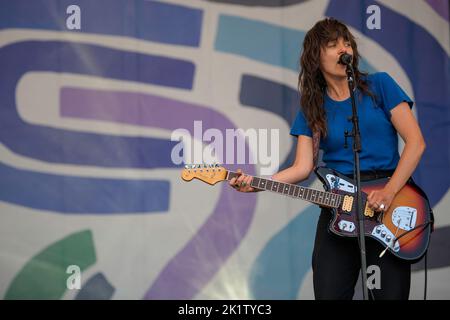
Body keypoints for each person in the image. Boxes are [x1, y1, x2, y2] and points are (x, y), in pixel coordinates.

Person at [229, 17, 426, 300]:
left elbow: (416, 143)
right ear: (315, 58)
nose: (343, 49)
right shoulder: (312, 106)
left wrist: (390, 191)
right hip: (340, 207)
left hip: (388, 201)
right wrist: (257, 182)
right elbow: (302, 167)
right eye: (332, 45)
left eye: (346, 43)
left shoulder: (380, 85)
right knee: (329, 293)